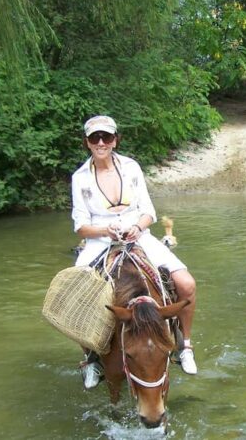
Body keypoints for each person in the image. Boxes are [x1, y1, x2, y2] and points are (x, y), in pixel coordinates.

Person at [71, 115, 198, 388]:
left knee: (187, 284)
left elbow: (149, 211)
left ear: (115, 140)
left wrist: (138, 227)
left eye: (107, 137)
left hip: (138, 235)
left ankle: (185, 345)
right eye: (95, 138)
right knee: (76, 294)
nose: (101, 142)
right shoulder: (79, 178)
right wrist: (106, 231)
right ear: (87, 142)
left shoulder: (131, 167)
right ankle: (90, 358)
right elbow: (80, 226)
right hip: (100, 241)